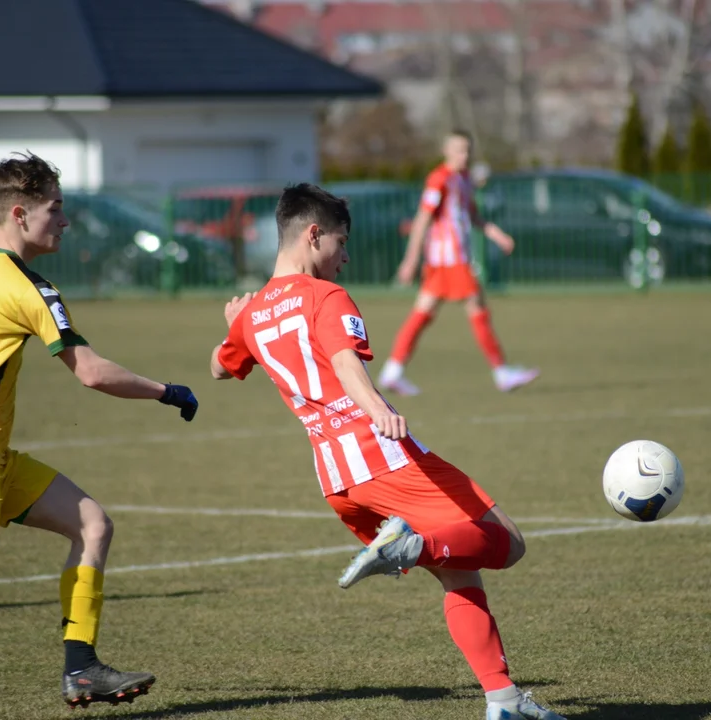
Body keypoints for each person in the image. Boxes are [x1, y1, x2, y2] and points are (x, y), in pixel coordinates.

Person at [211, 183, 565, 720]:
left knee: (458, 569)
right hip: (381, 455)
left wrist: (232, 325)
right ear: (313, 235)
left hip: (336, 480)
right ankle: (411, 545)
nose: (346, 256)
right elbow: (345, 360)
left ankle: (504, 700)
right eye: (341, 242)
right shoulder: (326, 296)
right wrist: (378, 408)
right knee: (507, 542)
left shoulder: (253, 312)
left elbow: (219, 366)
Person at [0, 153, 199, 709]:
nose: (65, 221)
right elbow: (91, 373)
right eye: (57, 209)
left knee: (92, 525)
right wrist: (167, 390)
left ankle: (82, 669)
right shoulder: (31, 289)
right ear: (21, 213)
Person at [377, 130, 539, 396]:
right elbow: (422, 220)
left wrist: (498, 236)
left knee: (422, 315)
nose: (465, 156)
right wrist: (410, 260)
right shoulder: (438, 179)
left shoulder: (462, 180)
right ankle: (501, 372)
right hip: (448, 261)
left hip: (451, 262)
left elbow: (474, 217)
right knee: (477, 309)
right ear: (447, 151)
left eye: (468, 150)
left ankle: (392, 371)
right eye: (459, 150)